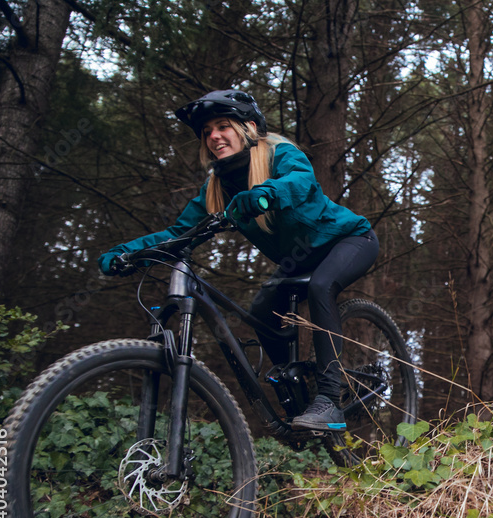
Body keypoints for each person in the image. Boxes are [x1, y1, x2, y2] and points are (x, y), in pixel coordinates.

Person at [98, 90, 379, 432]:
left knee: (322, 286)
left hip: (349, 240)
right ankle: (299, 397)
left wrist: (265, 194)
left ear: (247, 127)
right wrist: (131, 253)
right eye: (206, 132)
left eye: (222, 126)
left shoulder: (278, 153)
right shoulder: (217, 187)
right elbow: (179, 233)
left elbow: (300, 181)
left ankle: (329, 400)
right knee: (262, 314)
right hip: (298, 261)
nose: (213, 136)